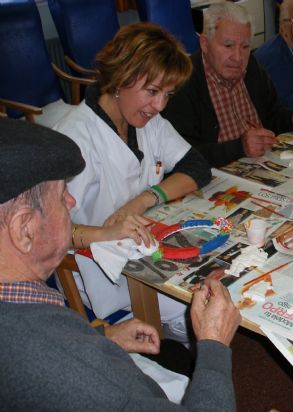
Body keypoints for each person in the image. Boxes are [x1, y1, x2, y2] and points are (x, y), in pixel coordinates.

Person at [0, 118, 241, 410]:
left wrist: (101, 336)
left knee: (172, 354)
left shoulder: (21, 312)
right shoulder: (79, 376)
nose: (73, 201)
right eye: (63, 196)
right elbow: (65, 370)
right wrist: (214, 346)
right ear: (24, 229)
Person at [53, 23, 213, 344]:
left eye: (167, 95)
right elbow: (48, 233)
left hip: (139, 253)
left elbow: (197, 167)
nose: (160, 106)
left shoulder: (146, 121)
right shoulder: (75, 137)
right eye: (152, 92)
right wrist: (105, 233)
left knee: (213, 283)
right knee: (202, 310)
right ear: (121, 78)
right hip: (96, 272)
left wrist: (143, 200)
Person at [163, 2, 293, 168]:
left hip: (263, 164)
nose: (237, 57)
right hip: (217, 176)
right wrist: (239, 147)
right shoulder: (183, 82)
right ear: (205, 44)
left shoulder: (251, 67)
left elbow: (272, 115)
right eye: (228, 46)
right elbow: (182, 155)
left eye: (244, 46)